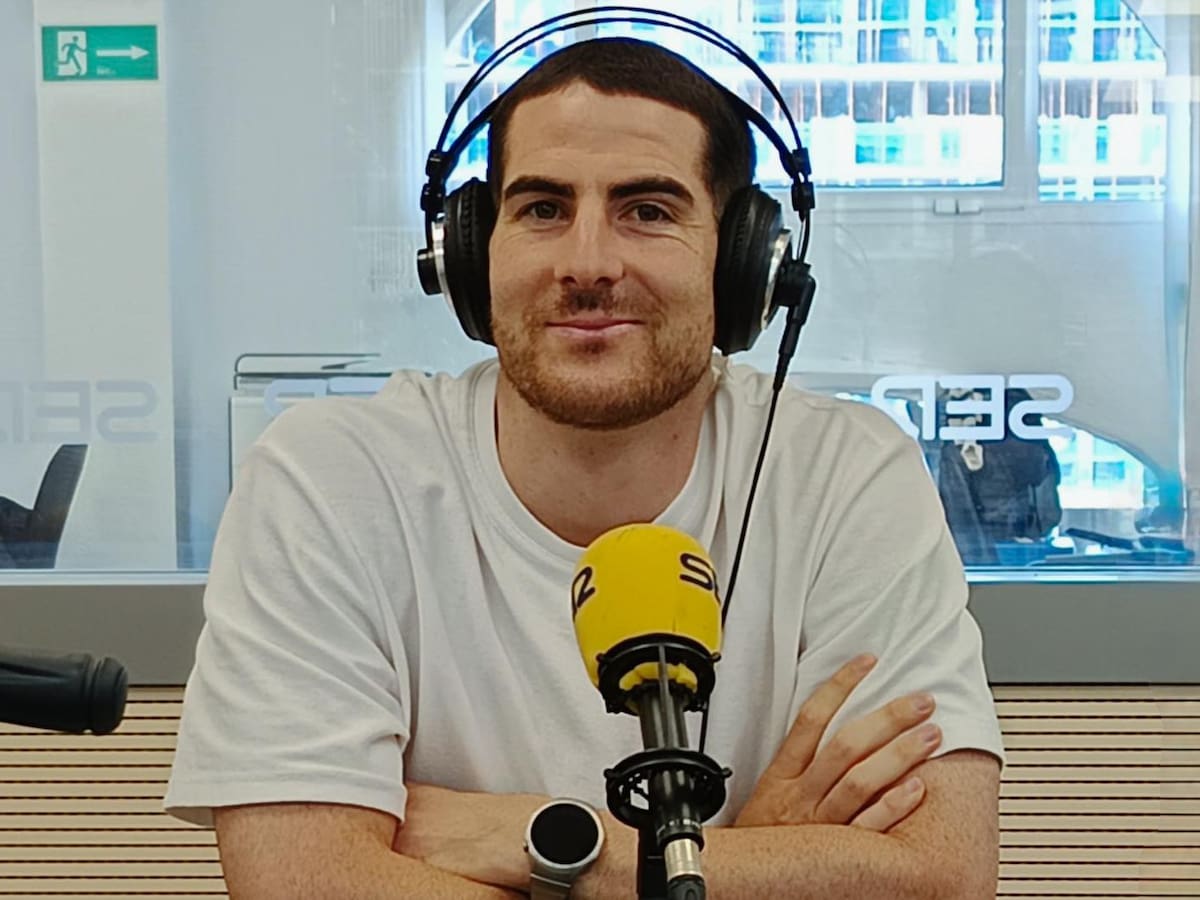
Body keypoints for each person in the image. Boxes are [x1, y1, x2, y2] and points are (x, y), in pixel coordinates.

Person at [165, 33, 1006, 899]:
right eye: (542, 209)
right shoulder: (330, 480)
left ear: (745, 261)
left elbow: (939, 878)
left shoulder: (845, 476)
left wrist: (558, 846)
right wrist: (740, 861)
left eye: (648, 211)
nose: (588, 265)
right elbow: (301, 882)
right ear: (469, 253)